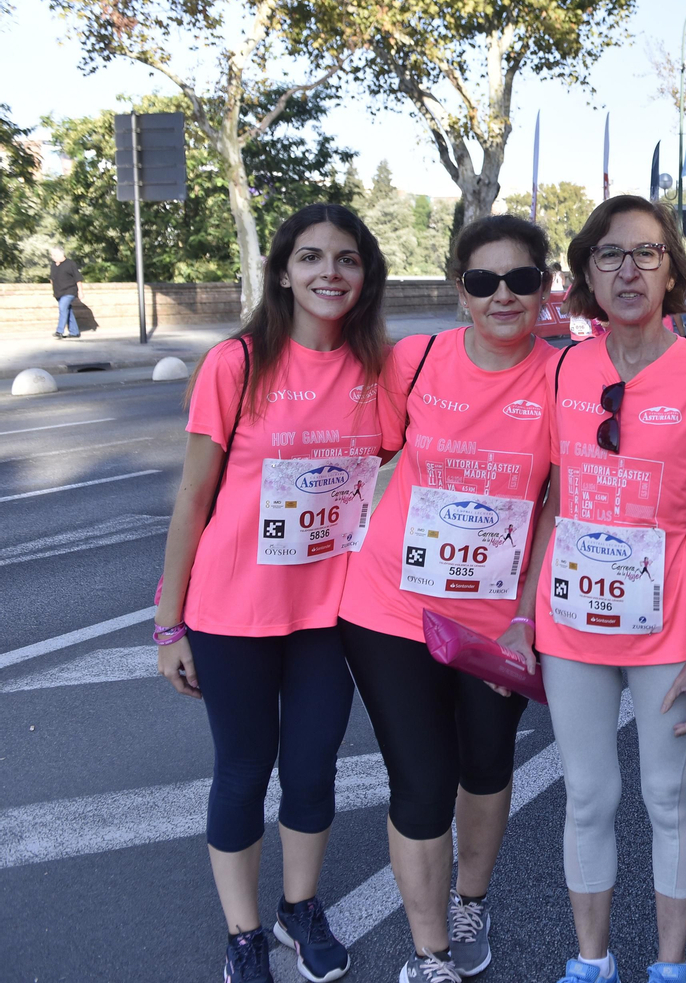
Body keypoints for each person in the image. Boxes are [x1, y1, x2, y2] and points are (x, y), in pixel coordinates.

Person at [507, 195, 686, 983]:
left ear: (672, 270)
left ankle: (670, 966)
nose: (629, 270)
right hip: (573, 624)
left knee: (666, 796)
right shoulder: (564, 370)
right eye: (610, 255)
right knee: (587, 795)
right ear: (585, 273)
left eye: (647, 253)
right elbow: (551, 498)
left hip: (671, 626)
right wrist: (522, 613)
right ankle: (591, 962)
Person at [153, 204, 390, 983]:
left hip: (329, 612)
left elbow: (442, 453)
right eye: (313, 257)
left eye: (348, 259)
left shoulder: (376, 370)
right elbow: (194, 497)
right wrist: (169, 622)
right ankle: (243, 932)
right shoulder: (236, 364)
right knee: (243, 769)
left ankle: (299, 907)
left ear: (365, 274)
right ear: (283, 270)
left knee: (314, 766)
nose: (331, 272)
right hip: (232, 611)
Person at [337, 215, 559, 983]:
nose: (504, 296)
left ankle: (472, 898)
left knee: (487, 765)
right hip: (390, 607)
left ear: (547, 286)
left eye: (522, 280)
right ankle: (429, 951)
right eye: (484, 281)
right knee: (421, 778)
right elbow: (360, 455)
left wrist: (529, 619)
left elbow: (569, 506)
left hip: (498, 619)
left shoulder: (564, 376)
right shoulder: (416, 358)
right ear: (460, 288)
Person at [49, 245, 83, 338]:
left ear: (61, 254)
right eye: (52, 255)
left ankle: (59, 331)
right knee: (68, 310)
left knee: (62, 308)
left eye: (54, 255)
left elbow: (78, 278)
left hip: (69, 291)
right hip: (59, 292)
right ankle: (74, 332)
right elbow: (52, 279)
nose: (53, 257)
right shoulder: (53, 265)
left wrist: (80, 291)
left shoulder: (70, 264)